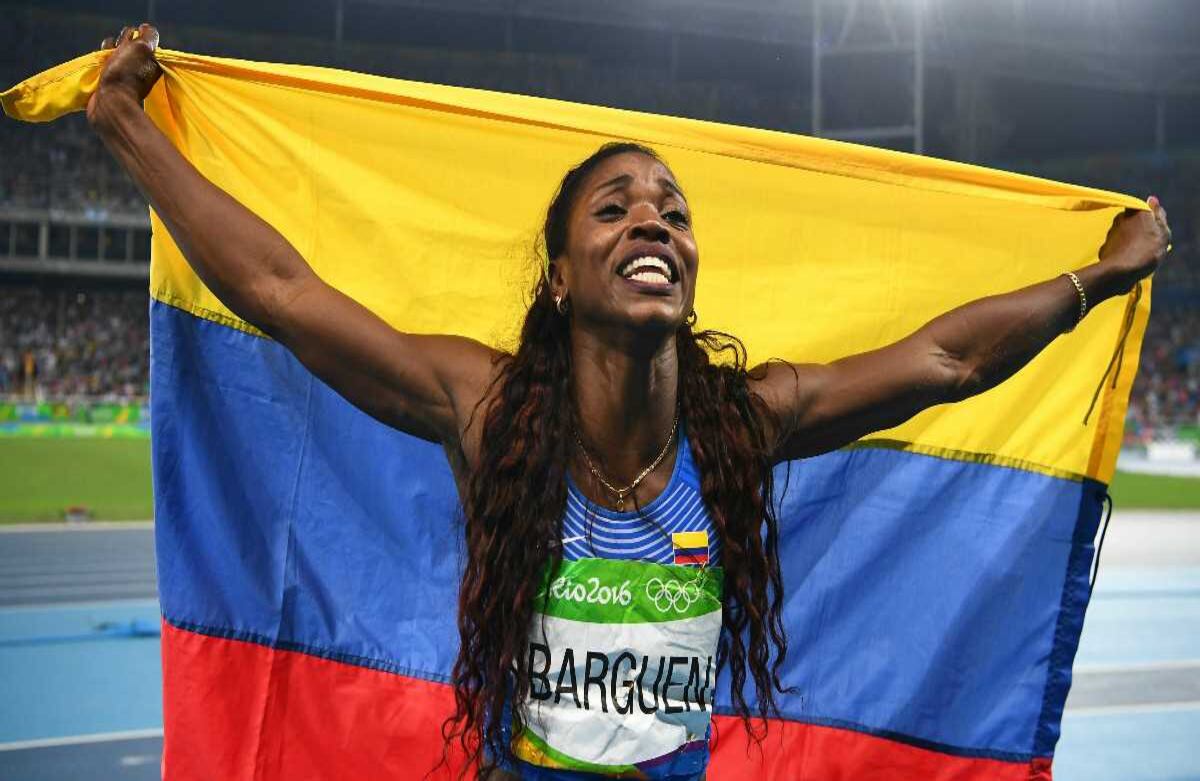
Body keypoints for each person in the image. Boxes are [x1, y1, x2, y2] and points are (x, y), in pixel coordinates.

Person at [87, 24, 1171, 781]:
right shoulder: (489, 408)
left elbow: (943, 360)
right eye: (615, 208)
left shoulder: (741, 420)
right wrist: (129, 126)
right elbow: (283, 294)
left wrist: (1103, 276)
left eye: (673, 211)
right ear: (561, 276)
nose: (653, 223)